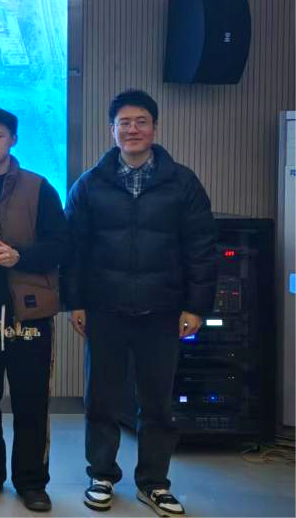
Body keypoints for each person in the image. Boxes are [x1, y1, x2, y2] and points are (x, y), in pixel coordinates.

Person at [64, 89, 217, 518]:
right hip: (105, 308)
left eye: (141, 122)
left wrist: (196, 307)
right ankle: (101, 475)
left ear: (155, 128)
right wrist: (76, 302)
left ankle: (154, 483)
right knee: (102, 399)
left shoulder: (182, 182)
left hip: (162, 310)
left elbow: (201, 249)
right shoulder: (90, 183)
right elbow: (74, 250)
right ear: (111, 130)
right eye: (124, 123)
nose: (132, 130)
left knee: (157, 403)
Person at [0, 107, 68, 512]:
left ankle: (32, 482)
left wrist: (20, 256)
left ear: (13, 140)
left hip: (28, 311)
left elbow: (61, 245)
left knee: (31, 400)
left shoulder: (39, 188)